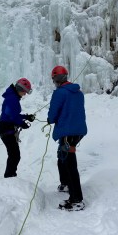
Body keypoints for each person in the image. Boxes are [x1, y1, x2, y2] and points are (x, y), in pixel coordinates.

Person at [47, 66, 87, 211]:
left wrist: (50, 119)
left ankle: (77, 200)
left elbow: (52, 115)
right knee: (63, 157)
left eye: (54, 80)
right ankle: (66, 185)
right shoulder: (78, 93)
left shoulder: (59, 93)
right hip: (78, 132)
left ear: (56, 79)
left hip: (67, 133)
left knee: (70, 164)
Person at [0, 78, 35, 178]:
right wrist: (22, 123)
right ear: (20, 89)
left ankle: (10, 176)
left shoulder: (12, 97)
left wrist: (26, 117)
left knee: (14, 155)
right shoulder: (12, 98)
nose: (25, 94)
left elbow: (13, 114)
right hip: (6, 128)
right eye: (25, 92)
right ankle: (9, 177)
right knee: (14, 155)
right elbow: (11, 115)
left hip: (6, 128)